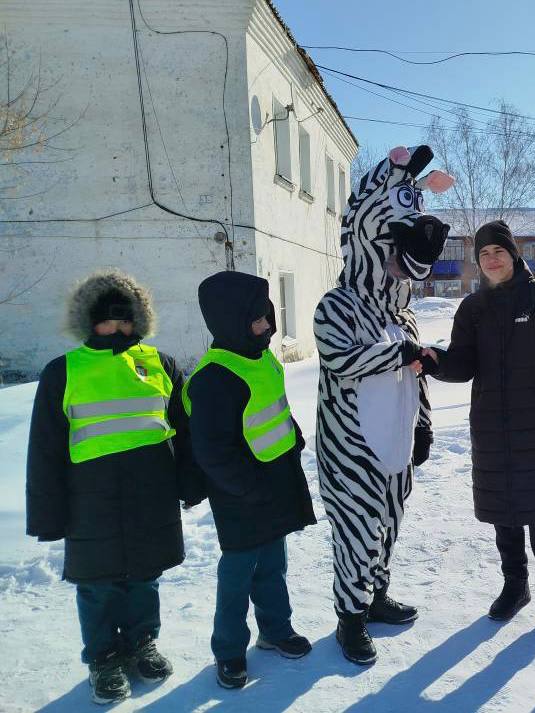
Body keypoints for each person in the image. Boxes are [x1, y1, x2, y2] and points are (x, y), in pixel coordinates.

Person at [26, 270, 198, 705]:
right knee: (98, 583)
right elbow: (45, 449)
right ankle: (103, 658)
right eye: (107, 320)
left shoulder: (161, 364)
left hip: (151, 494)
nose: (117, 327)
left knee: (144, 576)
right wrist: (47, 513)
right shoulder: (62, 372)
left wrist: (190, 482)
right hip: (90, 499)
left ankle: (142, 643)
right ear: (89, 322)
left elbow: (184, 430)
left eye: (125, 319)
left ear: (138, 319)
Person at [313, 145, 454, 665]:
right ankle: (349, 620)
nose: (401, 267)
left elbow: (413, 376)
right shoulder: (337, 305)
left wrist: (423, 425)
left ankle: (374, 597)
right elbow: (341, 360)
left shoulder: (405, 314)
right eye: (393, 252)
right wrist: (398, 351)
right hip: (351, 450)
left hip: (395, 444)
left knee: (388, 524)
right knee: (355, 530)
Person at [428, 219, 535, 643]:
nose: (492, 259)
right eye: (483, 254)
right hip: (492, 432)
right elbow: (462, 366)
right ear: (478, 263)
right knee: (504, 516)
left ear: (514, 255)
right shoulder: (473, 309)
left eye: (498, 251)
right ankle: (515, 587)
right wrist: (434, 362)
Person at [183, 270, 317, 689]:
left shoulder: (260, 358)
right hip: (241, 495)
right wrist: (249, 489)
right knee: (238, 575)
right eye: (257, 321)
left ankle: (276, 630)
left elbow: (274, 405)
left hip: (275, 481)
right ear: (230, 321)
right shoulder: (212, 378)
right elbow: (213, 453)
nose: (267, 328)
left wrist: (293, 436)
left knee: (273, 566)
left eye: (268, 319)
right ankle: (229, 651)